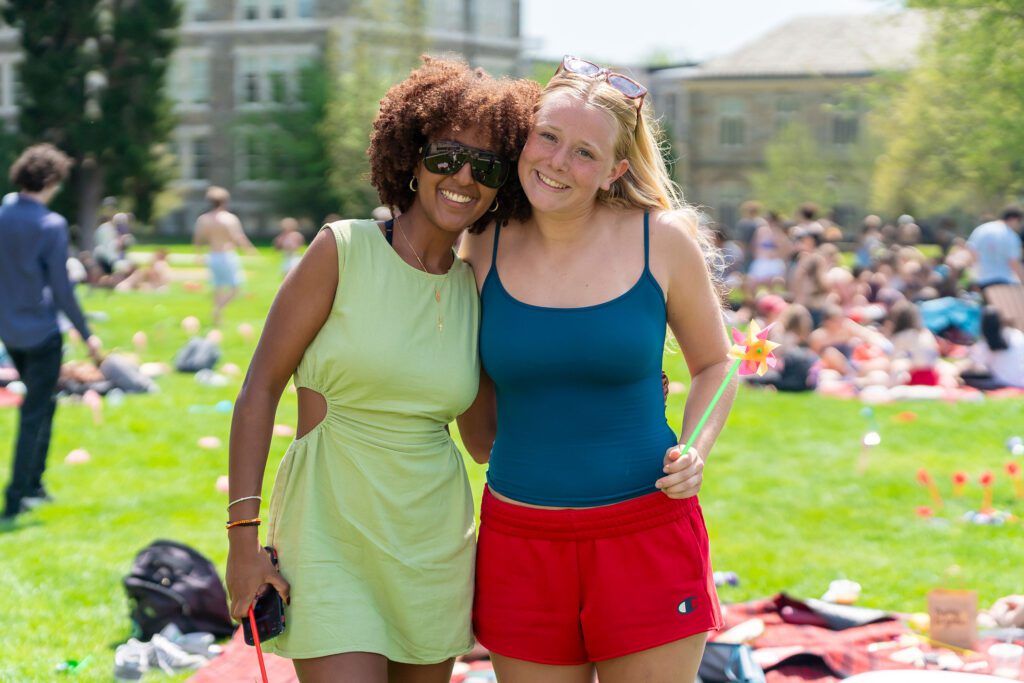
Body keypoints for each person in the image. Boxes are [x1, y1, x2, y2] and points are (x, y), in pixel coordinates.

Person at [225, 57, 538, 683]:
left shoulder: (476, 292)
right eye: (447, 156)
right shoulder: (341, 249)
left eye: (487, 167)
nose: (464, 179)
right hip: (327, 531)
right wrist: (242, 537)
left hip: (433, 544)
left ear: (504, 186)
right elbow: (259, 388)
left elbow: (483, 443)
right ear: (412, 156)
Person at [460, 56, 734, 683]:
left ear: (616, 168)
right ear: (524, 136)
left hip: (646, 534)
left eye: (584, 152)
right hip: (520, 539)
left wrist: (695, 449)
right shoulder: (483, 242)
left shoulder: (661, 239)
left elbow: (717, 362)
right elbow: (468, 395)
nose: (557, 161)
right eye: (548, 136)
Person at [0, 144, 102, 520]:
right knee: (34, 412)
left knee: (45, 403)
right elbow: (62, 288)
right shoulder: (50, 224)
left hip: (10, 331)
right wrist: (87, 333)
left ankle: (34, 484)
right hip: (42, 333)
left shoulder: (3, 215)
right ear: (51, 180)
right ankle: (15, 498)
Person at [192, 186, 255, 326]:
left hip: (212, 256)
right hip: (227, 255)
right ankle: (218, 309)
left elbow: (197, 238)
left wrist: (197, 254)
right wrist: (249, 249)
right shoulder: (229, 218)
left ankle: (218, 318)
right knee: (236, 288)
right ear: (225, 201)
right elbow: (238, 237)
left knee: (217, 287)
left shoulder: (203, 219)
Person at [964, 307, 1024, 389]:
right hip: (1021, 381)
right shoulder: (1017, 334)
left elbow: (975, 366)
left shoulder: (984, 344)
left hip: (1001, 383)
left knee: (965, 378)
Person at [966, 206, 1024, 288]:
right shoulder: (1012, 236)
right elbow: (1014, 263)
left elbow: (971, 251)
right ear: (1013, 219)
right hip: (1004, 281)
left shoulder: (982, 229)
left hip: (982, 280)